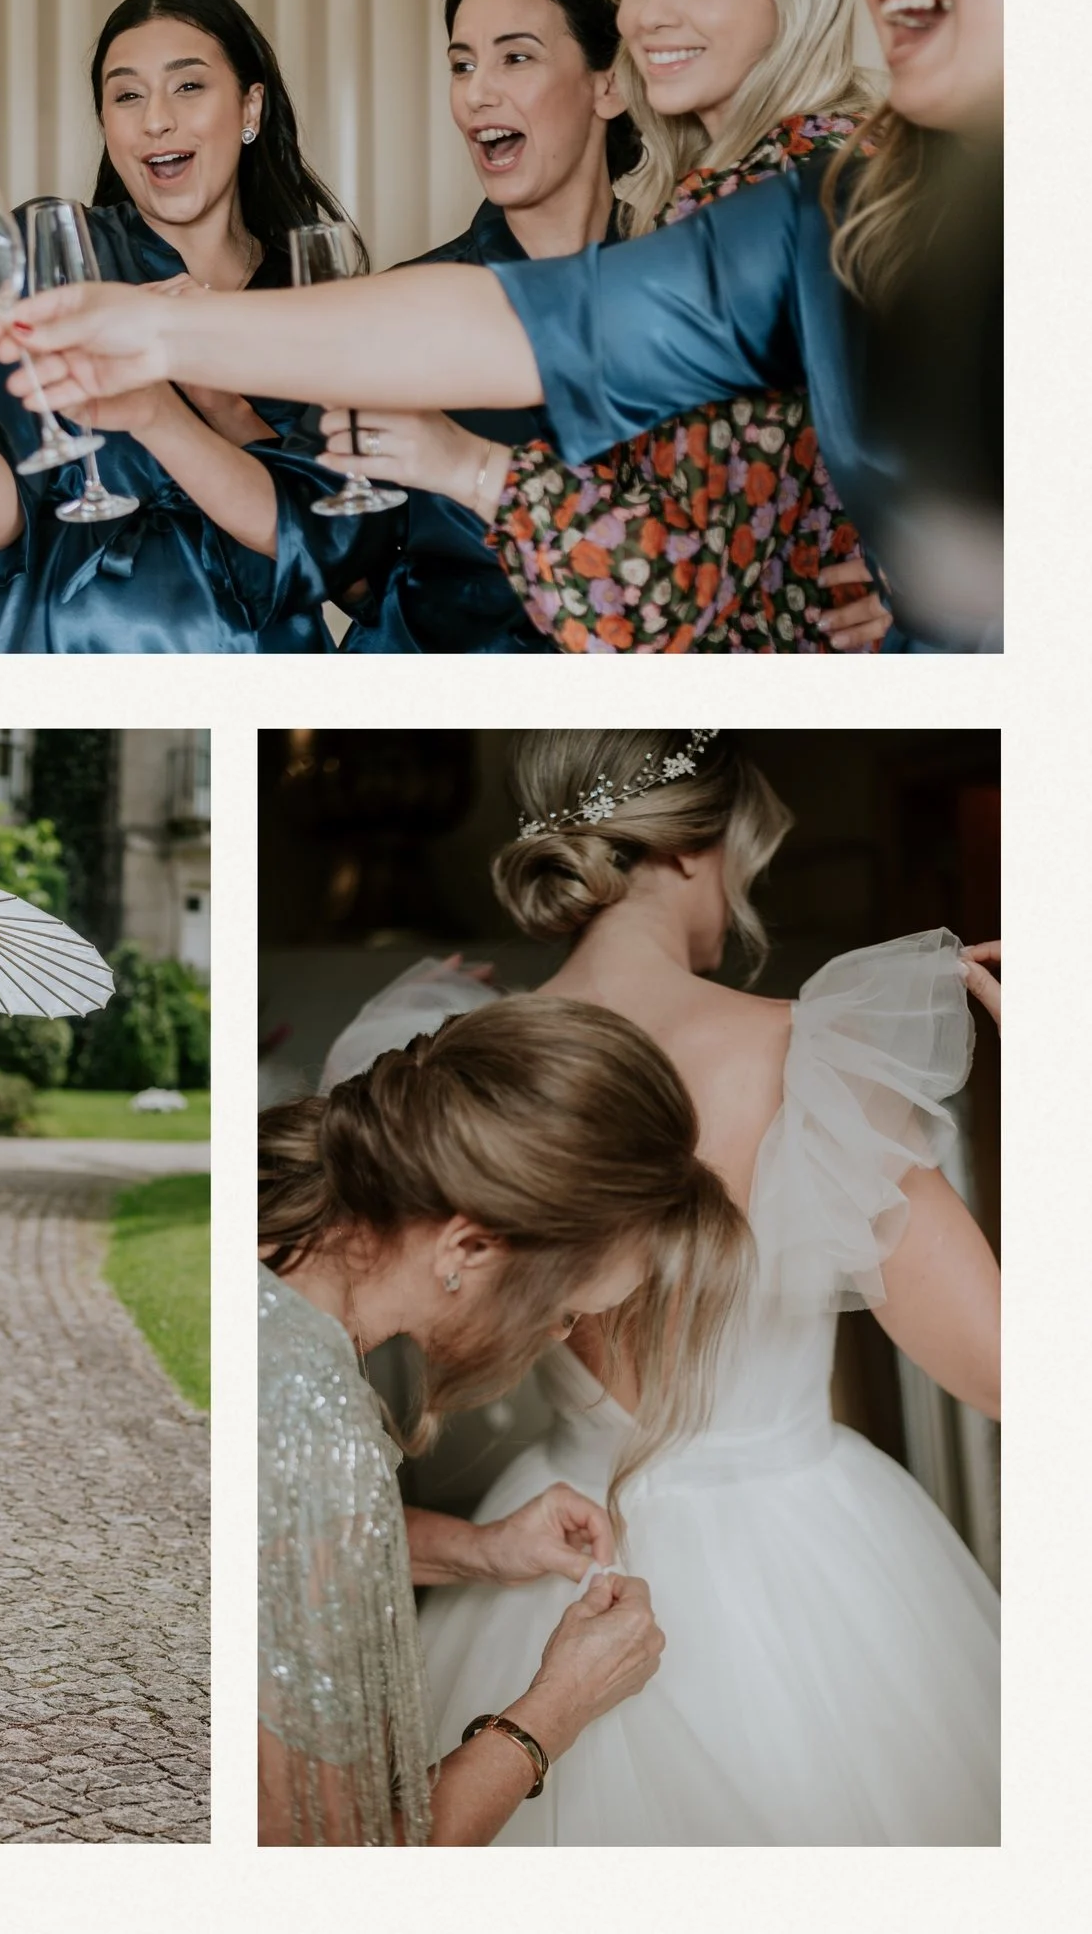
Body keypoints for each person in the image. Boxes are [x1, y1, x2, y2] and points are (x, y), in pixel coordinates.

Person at [0, 0, 1003, 647]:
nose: (649, 12)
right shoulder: (797, 187)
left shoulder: (808, 186)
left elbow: (643, 546)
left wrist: (176, 336)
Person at [343, 730, 1000, 1844]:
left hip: (551, 1542)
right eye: (746, 855)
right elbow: (1007, 1371)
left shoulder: (443, 1059)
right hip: (807, 1556)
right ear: (698, 848)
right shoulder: (816, 1056)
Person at [342, 0, 888, 652]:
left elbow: (667, 596)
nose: (649, 14)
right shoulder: (840, 165)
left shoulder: (768, 196)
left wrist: (463, 464)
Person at [259, 990, 748, 1842]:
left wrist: (479, 1550)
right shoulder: (317, 1430)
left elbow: (277, 1546)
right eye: (564, 1310)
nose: (557, 1337)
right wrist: (558, 1706)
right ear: (469, 1249)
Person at [0, 0, 369, 649]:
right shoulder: (45, 255)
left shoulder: (312, 296)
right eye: (127, 95)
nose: (156, 120)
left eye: (188, 86)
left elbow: (348, 561)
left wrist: (219, 401)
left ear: (251, 106)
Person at [332, 0, 630, 654]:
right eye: (462, 65)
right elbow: (333, 551)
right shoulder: (404, 305)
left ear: (610, 84)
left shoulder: (696, 297)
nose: (475, 94)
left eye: (515, 58)